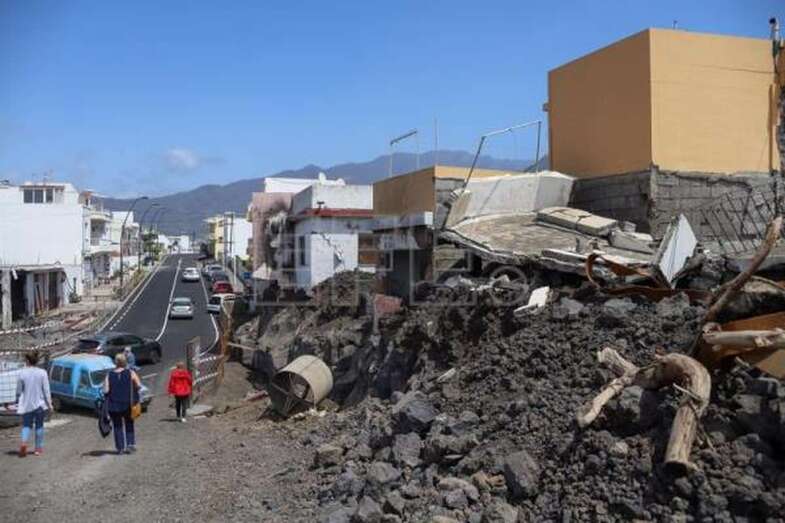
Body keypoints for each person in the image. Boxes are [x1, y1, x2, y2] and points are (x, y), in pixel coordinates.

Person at [16, 350, 53, 457]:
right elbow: (46, 390)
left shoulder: (21, 373)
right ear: (36, 361)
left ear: (27, 360)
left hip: (27, 404)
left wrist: (17, 400)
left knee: (26, 425)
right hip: (40, 404)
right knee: (39, 426)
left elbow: (18, 391)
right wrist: (50, 404)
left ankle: (23, 443)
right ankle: (38, 449)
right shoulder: (42, 373)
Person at [103, 353, 141, 454]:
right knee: (129, 423)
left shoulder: (109, 375)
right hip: (128, 403)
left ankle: (120, 448)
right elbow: (139, 385)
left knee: (117, 426)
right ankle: (130, 444)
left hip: (114, 404)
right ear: (125, 362)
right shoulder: (130, 372)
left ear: (115, 362)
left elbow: (106, 390)